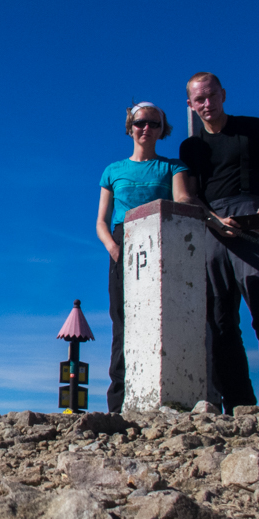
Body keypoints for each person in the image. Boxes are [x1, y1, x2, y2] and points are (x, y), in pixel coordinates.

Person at [178, 72, 259, 412]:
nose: (206, 104)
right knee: (220, 321)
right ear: (190, 105)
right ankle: (239, 406)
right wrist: (214, 221)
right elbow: (190, 197)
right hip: (211, 226)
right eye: (199, 100)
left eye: (211, 96)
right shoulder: (190, 147)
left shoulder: (252, 127)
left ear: (222, 94)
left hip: (253, 221)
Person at [96, 102, 192, 413]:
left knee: (163, 317)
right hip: (122, 243)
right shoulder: (113, 170)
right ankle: (118, 403)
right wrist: (113, 247)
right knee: (122, 324)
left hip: (162, 239)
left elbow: (182, 200)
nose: (146, 128)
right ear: (130, 127)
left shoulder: (173, 167)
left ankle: (165, 394)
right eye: (140, 123)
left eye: (153, 123)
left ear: (163, 130)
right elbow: (101, 220)